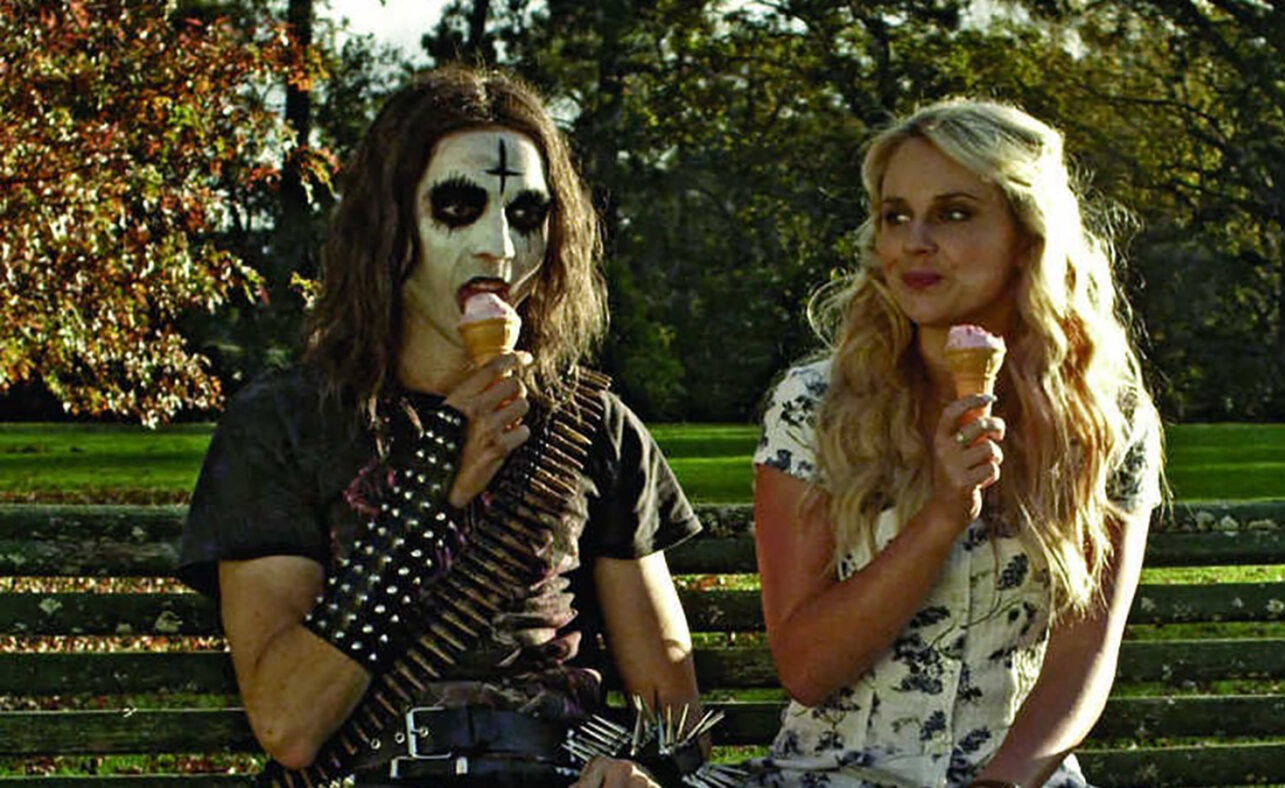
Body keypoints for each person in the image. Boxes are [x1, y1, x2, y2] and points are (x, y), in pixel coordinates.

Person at [178, 66, 712, 788]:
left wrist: (639, 766)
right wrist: (435, 486)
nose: (500, 247)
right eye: (458, 208)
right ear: (388, 224)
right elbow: (289, 724)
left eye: (527, 213)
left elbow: (673, 713)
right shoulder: (286, 422)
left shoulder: (587, 425)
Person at [748, 99, 1164, 787]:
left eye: (954, 213)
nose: (915, 241)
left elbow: (1083, 659)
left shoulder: (1103, 416)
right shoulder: (818, 405)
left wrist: (1003, 784)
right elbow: (807, 668)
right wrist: (942, 514)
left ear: (1026, 238)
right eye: (896, 216)